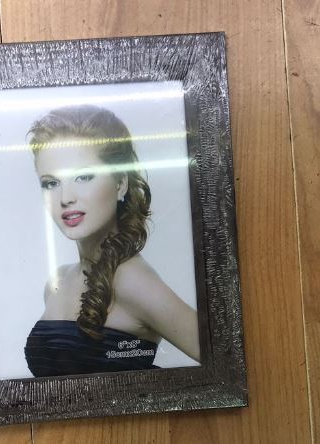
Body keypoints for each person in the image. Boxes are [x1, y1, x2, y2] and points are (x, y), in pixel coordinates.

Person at [24, 104, 200, 377]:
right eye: (51, 183)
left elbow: (229, 358)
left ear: (120, 184)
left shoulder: (132, 280)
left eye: (83, 176)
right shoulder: (57, 282)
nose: (65, 198)